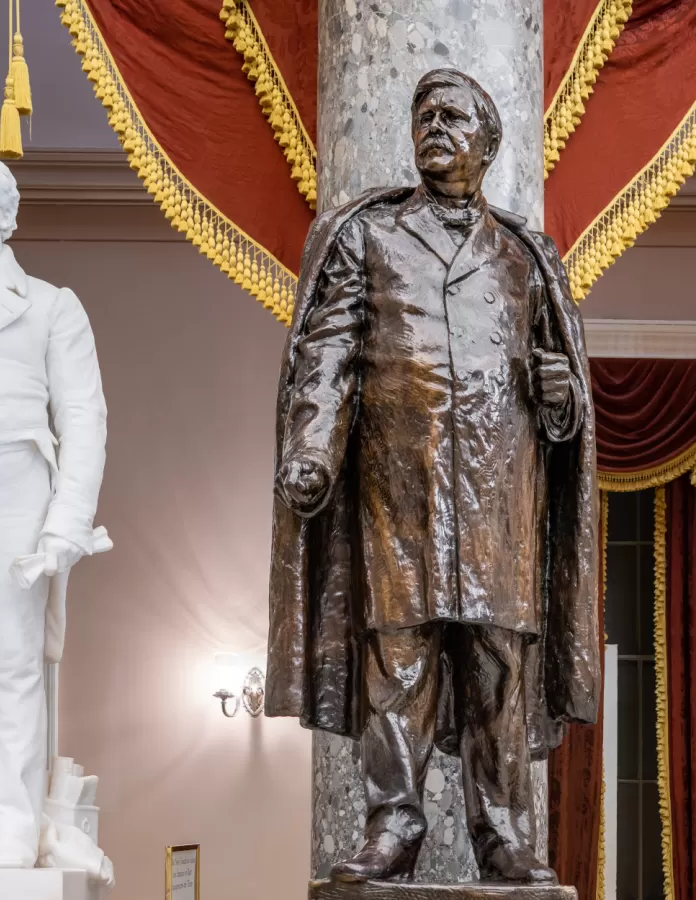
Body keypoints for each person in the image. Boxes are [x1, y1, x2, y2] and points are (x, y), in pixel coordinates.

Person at [266, 70, 599, 883]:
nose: (435, 128)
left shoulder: (525, 254)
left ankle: (502, 833)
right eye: (424, 116)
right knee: (399, 658)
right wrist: (311, 446)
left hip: (497, 489)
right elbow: (328, 353)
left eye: (453, 117)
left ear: (487, 144)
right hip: (399, 482)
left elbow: (564, 403)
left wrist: (563, 404)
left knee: (498, 662)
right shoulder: (368, 238)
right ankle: (393, 825)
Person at [0, 140, 108, 867]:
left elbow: (85, 422)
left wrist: (66, 524)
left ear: (6, 214)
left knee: (9, 667)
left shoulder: (50, 306)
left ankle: (10, 837)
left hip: (5, 479)